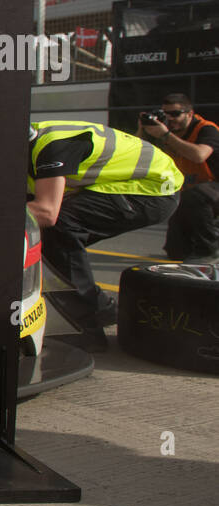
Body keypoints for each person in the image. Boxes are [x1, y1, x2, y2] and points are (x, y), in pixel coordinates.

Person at [28, 119, 183, 351]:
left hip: (153, 188)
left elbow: (47, 212)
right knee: (48, 235)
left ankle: (85, 328)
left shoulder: (53, 146)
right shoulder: (27, 142)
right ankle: (100, 307)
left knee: (60, 226)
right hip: (132, 183)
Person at [138, 93, 219, 260]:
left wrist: (165, 135)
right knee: (176, 252)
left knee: (195, 195)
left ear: (189, 114)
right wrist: (143, 129)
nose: (170, 119)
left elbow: (199, 155)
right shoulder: (168, 132)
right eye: (165, 114)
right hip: (190, 189)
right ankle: (187, 249)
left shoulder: (207, 129)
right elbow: (137, 151)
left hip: (212, 185)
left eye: (175, 114)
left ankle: (208, 251)